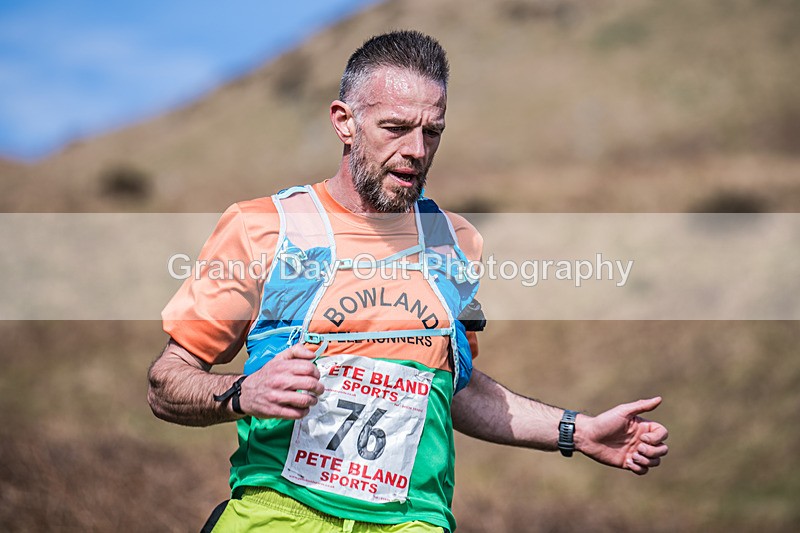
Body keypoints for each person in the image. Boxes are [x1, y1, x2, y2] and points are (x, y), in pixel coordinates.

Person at [148, 30, 668, 533]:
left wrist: (575, 431)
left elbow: (453, 388)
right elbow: (167, 383)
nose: (418, 150)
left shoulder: (453, 242)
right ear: (344, 122)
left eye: (433, 131)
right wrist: (243, 391)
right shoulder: (262, 228)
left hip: (413, 521)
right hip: (280, 511)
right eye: (396, 128)